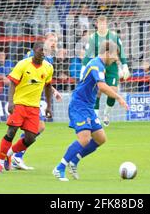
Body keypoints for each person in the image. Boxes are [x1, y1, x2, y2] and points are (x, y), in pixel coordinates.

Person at [52, 41, 129, 181]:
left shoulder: (101, 67)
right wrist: (119, 98)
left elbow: (97, 87)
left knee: (100, 138)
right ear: (107, 53)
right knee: (85, 139)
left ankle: (74, 161)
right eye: (115, 55)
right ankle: (59, 168)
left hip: (88, 106)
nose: (116, 59)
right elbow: (102, 86)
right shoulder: (95, 64)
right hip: (79, 105)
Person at [0, 42, 53, 174]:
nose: (43, 53)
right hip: (19, 104)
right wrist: (11, 102)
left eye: (45, 51)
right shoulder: (22, 64)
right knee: (11, 131)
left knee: (30, 138)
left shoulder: (48, 67)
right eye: (40, 50)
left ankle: (9, 154)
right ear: (34, 51)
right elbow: (12, 84)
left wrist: (48, 106)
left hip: (34, 108)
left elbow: (48, 86)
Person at [11, 32, 62, 170]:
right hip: (23, 97)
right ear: (44, 41)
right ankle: (13, 155)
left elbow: (44, 81)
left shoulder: (48, 60)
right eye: (51, 40)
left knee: (37, 128)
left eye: (55, 41)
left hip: (34, 99)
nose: (53, 43)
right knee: (29, 129)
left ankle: (14, 155)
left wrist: (54, 91)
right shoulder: (32, 55)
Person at [81, 15, 130, 126]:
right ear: (97, 24)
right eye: (100, 23)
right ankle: (96, 117)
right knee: (98, 91)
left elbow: (121, 51)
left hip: (112, 66)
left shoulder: (113, 35)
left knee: (112, 91)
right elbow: (88, 54)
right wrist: (83, 68)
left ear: (106, 24)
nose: (102, 25)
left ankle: (106, 113)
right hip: (99, 65)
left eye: (104, 23)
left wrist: (125, 65)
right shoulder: (93, 37)